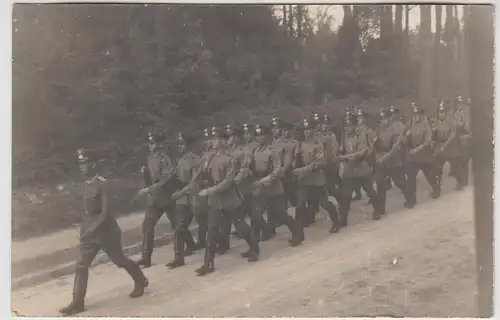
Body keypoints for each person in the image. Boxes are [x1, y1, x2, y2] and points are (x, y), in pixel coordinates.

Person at [59, 149, 149, 316]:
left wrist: (92, 229)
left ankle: (140, 280)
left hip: (106, 230)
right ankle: (78, 302)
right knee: (81, 265)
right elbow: (85, 211)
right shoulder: (84, 184)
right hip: (89, 229)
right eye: (80, 163)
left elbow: (105, 212)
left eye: (85, 163)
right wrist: (83, 228)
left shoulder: (102, 183)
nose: (82, 166)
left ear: (92, 164)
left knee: (120, 260)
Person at [194, 127, 260, 276]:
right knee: (211, 230)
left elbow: (229, 181)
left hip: (229, 199)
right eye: (212, 139)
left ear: (224, 141)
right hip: (215, 201)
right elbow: (204, 174)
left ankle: (254, 248)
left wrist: (210, 191)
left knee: (241, 227)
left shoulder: (230, 159)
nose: (213, 142)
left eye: (216, 139)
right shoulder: (209, 158)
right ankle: (208, 263)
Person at [249, 123, 304, 246]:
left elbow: (277, 170)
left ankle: (298, 232)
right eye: (257, 136)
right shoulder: (255, 151)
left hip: (273, 188)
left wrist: (262, 181)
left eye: (261, 135)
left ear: (267, 136)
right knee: (256, 216)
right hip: (260, 188)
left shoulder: (272, 151)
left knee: (282, 214)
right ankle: (253, 247)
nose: (259, 138)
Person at [135, 131, 179, 268]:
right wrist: (144, 178)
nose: (151, 145)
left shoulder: (164, 158)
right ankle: (146, 258)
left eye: (153, 143)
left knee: (177, 226)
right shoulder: (149, 159)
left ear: (159, 144)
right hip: (155, 200)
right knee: (147, 226)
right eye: (150, 143)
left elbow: (166, 179)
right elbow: (149, 179)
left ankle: (179, 256)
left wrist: (148, 189)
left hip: (167, 197)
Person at [294, 117, 340, 233]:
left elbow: (320, 162)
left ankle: (336, 221)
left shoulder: (318, 143)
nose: (307, 132)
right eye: (305, 130)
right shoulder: (301, 144)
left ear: (313, 130)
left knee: (324, 203)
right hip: (304, 180)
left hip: (316, 178)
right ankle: (297, 232)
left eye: (309, 129)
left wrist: (303, 170)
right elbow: (298, 160)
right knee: (300, 204)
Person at [166, 132, 202, 269]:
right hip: (182, 198)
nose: (179, 147)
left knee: (204, 222)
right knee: (179, 226)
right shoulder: (178, 160)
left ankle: (218, 244)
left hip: (193, 196)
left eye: (182, 144)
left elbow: (194, 183)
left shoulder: (195, 160)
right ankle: (178, 257)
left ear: (188, 145)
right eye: (178, 144)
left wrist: (179, 192)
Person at [337, 111, 381, 226]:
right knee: (345, 196)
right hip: (349, 171)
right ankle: (343, 219)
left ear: (354, 125)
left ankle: (377, 210)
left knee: (370, 191)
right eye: (346, 125)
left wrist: (346, 156)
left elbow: (362, 152)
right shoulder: (344, 136)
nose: (347, 128)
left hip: (362, 169)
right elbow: (341, 151)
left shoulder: (361, 134)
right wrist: (344, 156)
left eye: (349, 125)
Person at [373, 108, 413, 215]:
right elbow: (375, 146)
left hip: (393, 160)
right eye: (381, 119)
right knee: (381, 186)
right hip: (382, 162)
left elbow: (396, 147)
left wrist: (386, 156)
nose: (383, 121)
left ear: (389, 119)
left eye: (385, 119)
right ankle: (381, 210)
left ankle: (410, 200)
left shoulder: (394, 129)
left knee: (401, 183)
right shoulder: (379, 130)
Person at [405, 103, 440, 205]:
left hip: (424, 154)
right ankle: (411, 200)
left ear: (421, 114)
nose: (416, 115)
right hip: (413, 156)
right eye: (414, 113)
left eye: (417, 113)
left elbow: (427, 140)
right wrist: (407, 136)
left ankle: (436, 189)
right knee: (411, 178)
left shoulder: (425, 123)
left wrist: (417, 149)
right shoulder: (410, 123)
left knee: (430, 176)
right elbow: (404, 140)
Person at [432, 101, 464, 190]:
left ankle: (460, 182)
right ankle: (437, 188)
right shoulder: (436, 121)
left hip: (450, 145)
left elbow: (453, 134)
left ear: (445, 113)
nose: (441, 114)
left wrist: (444, 146)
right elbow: (434, 136)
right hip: (440, 144)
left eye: (442, 112)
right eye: (439, 112)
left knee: (455, 166)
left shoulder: (450, 120)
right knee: (437, 167)